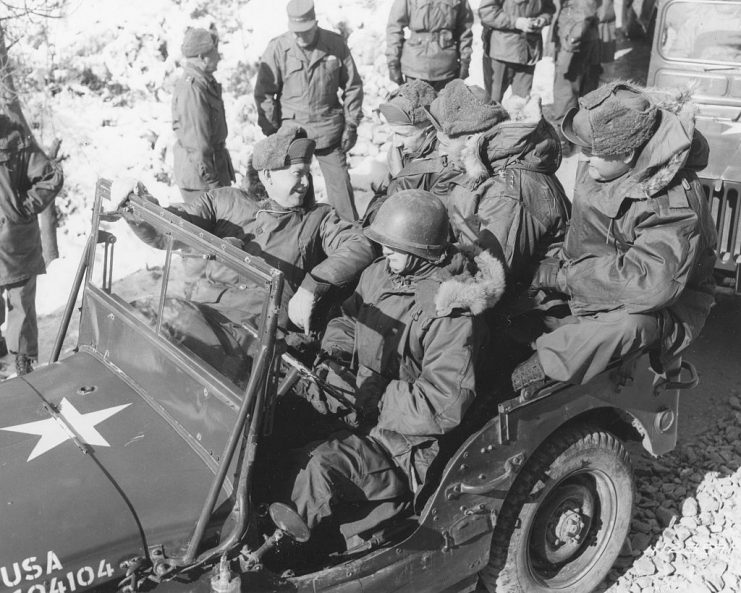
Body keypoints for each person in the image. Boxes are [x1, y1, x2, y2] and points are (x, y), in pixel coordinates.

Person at [271, 190, 505, 541]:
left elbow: (445, 403)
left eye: (393, 246)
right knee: (280, 418)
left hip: (404, 444)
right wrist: (335, 358)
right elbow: (348, 319)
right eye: (382, 243)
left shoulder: (450, 314)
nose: (383, 251)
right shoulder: (380, 273)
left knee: (320, 468)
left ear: (422, 249)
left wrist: (378, 396)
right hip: (357, 400)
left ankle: (283, 549)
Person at [512, 82, 717, 391]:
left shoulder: (671, 201)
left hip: (660, 307)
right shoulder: (606, 165)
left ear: (628, 153)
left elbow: (649, 284)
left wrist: (564, 278)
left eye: (592, 152)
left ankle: (542, 369)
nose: (584, 157)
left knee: (626, 327)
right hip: (592, 279)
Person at [117, 126, 374, 339]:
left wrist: (314, 285)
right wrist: (137, 205)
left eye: (308, 173)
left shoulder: (318, 219)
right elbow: (168, 231)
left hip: (257, 337)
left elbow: (359, 243)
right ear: (267, 176)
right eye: (298, 173)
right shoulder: (224, 201)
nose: (306, 183)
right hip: (202, 317)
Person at [425, 80, 570, 309]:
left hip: (526, 310)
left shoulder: (506, 194)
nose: (438, 150)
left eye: (442, 142)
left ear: (468, 139)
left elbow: (492, 283)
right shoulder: (488, 164)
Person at [254, 0, 363, 222]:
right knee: (293, 193)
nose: (301, 37)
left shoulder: (334, 44)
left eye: (305, 31)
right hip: (292, 135)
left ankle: (351, 240)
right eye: (296, 32)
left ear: (315, 24)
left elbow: (353, 86)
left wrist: (351, 124)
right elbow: (264, 93)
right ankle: (299, 238)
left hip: (328, 131)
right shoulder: (278, 48)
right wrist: (272, 132)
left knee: (341, 190)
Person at [0, 115, 64, 375]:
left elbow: (51, 176)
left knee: (22, 307)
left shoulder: (13, 134)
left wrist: (20, 209)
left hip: (16, 241)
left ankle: (23, 363)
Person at [363, 80, 450, 224]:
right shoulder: (402, 149)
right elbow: (384, 193)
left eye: (404, 135)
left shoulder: (443, 166)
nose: (396, 142)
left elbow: (428, 222)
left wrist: (400, 178)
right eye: (394, 133)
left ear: (428, 132)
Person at [171, 27, 235, 203]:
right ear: (202, 56)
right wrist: (213, 183)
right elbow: (197, 144)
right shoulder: (193, 89)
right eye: (215, 52)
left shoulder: (204, 82)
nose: (219, 56)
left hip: (210, 172)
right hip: (202, 181)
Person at [386, 0, 474, 91]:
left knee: (416, 104)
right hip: (440, 66)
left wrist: (393, 63)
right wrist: (465, 62)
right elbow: (465, 32)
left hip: (421, 67)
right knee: (442, 104)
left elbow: (394, 30)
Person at [550, 0, 601, 154]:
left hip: (575, 44)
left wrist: (570, 40)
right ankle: (576, 135)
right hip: (581, 39)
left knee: (564, 90)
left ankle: (564, 140)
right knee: (579, 89)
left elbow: (585, 12)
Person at [479, 0, 555, 102]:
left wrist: (542, 20)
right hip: (501, 52)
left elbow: (549, 9)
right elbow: (486, 11)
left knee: (521, 104)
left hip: (528, 52)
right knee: (493, 103)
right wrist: (516, 22)